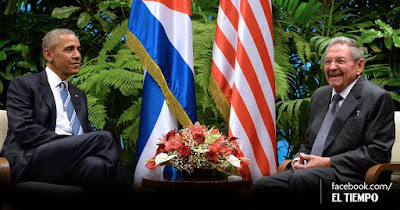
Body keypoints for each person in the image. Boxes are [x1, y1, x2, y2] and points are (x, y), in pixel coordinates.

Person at [253, 37, 395, 199]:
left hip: (353, 177)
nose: (332, 67)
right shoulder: (320, 96)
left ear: (359, 66)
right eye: (328, 62)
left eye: (340, 61)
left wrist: (328, 161)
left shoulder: (376, 98)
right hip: (311, 173)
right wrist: (298, 160)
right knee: (263, 186)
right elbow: (309, 144)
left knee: (303, 180)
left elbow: (377, 152)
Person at [0, 29, 131, 196]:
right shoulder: (24, 85)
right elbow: (26, 132)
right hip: (31, 158)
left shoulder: (78, 95)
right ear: (48, 55)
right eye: (69, 49)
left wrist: (76, 145)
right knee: (103, 137)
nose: (77, 55)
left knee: (96, 165)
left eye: (79, 49)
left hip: (68, 162)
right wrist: (72, 143)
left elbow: (85, 133)